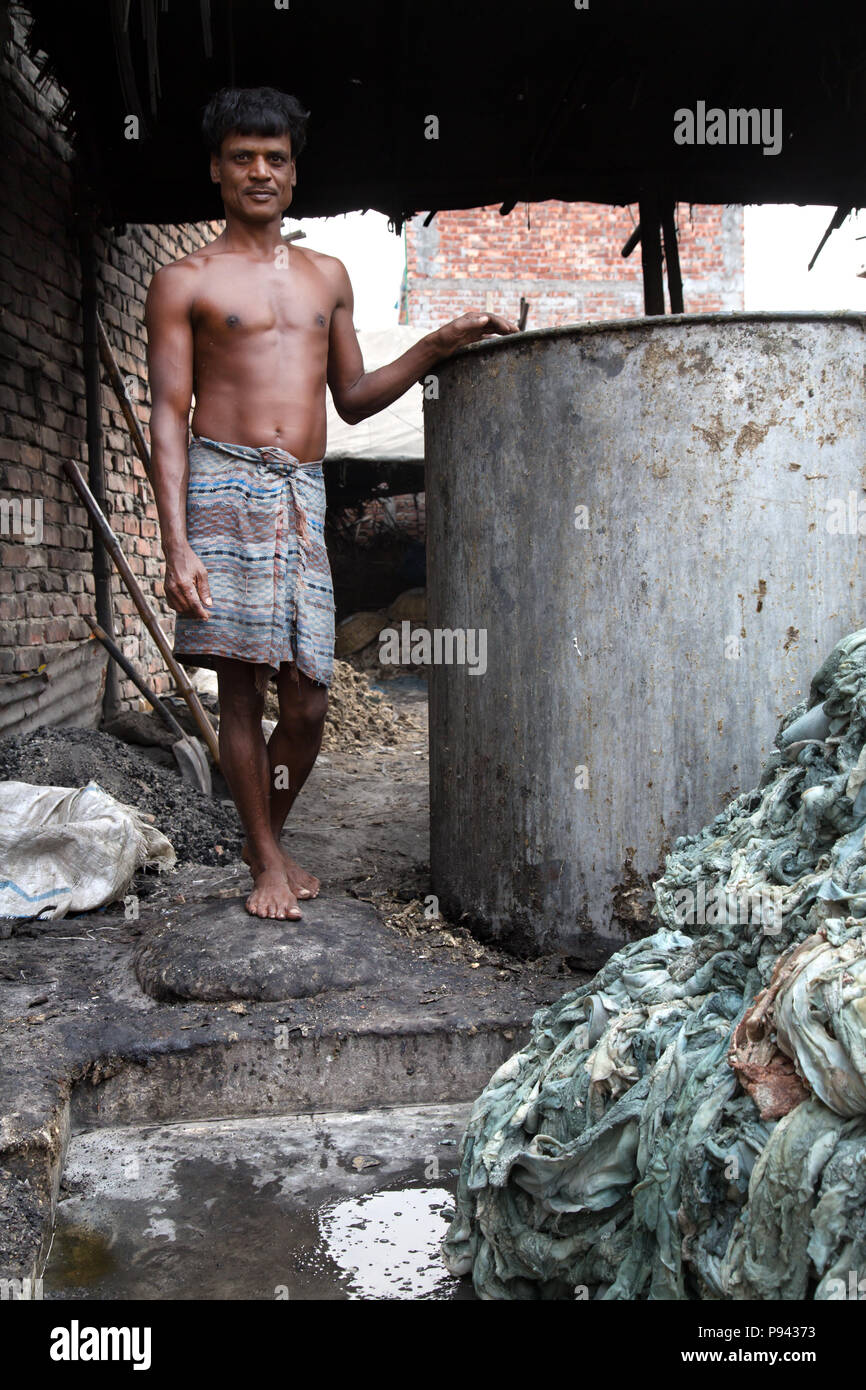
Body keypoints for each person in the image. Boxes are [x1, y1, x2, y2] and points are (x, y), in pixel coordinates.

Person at [145, 86, 517, 921]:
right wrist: (177, 544)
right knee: (239, 690)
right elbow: (169, 415)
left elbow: (351, 396)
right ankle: (268, 861)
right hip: (222, 481)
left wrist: (434, 345)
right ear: (216, 168)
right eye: (242, 156)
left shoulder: (328, 276)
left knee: (309, 697)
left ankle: (260, 840)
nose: (260, 171)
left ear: (294, 170)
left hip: (300, 491)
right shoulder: (184, 280)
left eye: (275, 157)